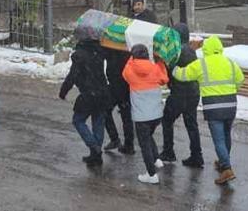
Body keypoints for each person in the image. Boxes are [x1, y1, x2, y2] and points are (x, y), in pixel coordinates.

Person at [173, 35, 244, 184]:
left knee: (218, 139)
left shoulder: (202, 64)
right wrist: (231, 90)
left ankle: (226, 168)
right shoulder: (230, 62)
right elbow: (240, 79)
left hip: (213, 105)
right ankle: (223, 161)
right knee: (226, 135)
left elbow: (183, 75)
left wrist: (173, 68)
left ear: (206, 49)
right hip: (231, 104)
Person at [59, 38, 111, 167]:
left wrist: (63, 91)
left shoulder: (80, 55)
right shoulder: (99, 52)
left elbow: (72, 76)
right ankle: (96, 156)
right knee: (98, 122)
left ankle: (94, 147)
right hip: (102, 92)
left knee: (78, 120)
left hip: (89, 94)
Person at [123, 43, 169, 184]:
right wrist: (160, 62)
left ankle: (151, 175)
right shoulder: (155, 68)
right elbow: (164, 80)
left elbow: (124, 73)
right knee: (148, 136)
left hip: (142, 116)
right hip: (156, 114)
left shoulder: (130, 70)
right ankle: (156, 159)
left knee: (144, 144)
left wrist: (131, 58)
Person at [159, 22, 203, 168]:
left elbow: (170, 69)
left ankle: (168, 151)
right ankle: (197, 155)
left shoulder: (176, 51)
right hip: (193, 92)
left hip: (179, 93)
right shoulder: (191, 51)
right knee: (192, 124)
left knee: (167, 120)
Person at [103, 48, 135, 155]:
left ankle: (115, 139)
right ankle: (128, 145)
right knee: (126, 115)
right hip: (126, 85)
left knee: (105, 111)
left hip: (116, 84)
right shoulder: (128, 46)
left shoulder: (111, 46)